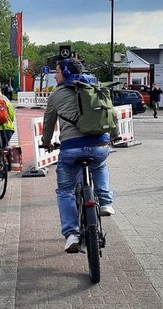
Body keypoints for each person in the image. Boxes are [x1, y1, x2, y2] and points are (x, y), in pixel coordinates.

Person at [41, 58, 119, 253]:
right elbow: (111, 114)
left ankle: (71, 234)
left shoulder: (56, 94)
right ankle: (106, 203)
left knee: (65, 191)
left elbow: (49, 122)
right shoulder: (95, 87)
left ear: (65, 72)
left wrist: (46, 141)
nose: (55, 76)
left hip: (71, 148)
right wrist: (115, 136)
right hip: (99, 143)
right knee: (100, 165)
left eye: (57, 72)